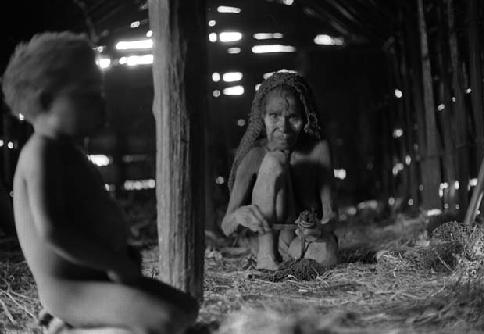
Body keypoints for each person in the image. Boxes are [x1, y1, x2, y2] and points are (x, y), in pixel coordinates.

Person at [2, 31, 198, 333]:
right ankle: (66, 326)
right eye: (88, 94)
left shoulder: (68, 151)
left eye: (100, 92)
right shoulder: (41, 153)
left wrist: (120, 252)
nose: (101, 102)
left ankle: (73, 322)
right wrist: (113, 262)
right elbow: (54, 231)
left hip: (95, 276)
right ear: (46, 100)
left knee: (186, 307)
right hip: (68, 288)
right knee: (164, 321)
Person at [221, 72, 339, 270]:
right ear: (263, 117)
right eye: (274, 116)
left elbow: (332, 216)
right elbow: (226, 225)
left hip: (300, 244)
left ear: (306, 118)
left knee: (326, 254)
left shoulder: (318, 150)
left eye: (292, 117)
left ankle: (291, 263)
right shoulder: (254, 155)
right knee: (274, 161)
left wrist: (318, 229)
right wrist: (239, 215)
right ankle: (266, 259)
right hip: (267, 245)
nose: (283, 127)